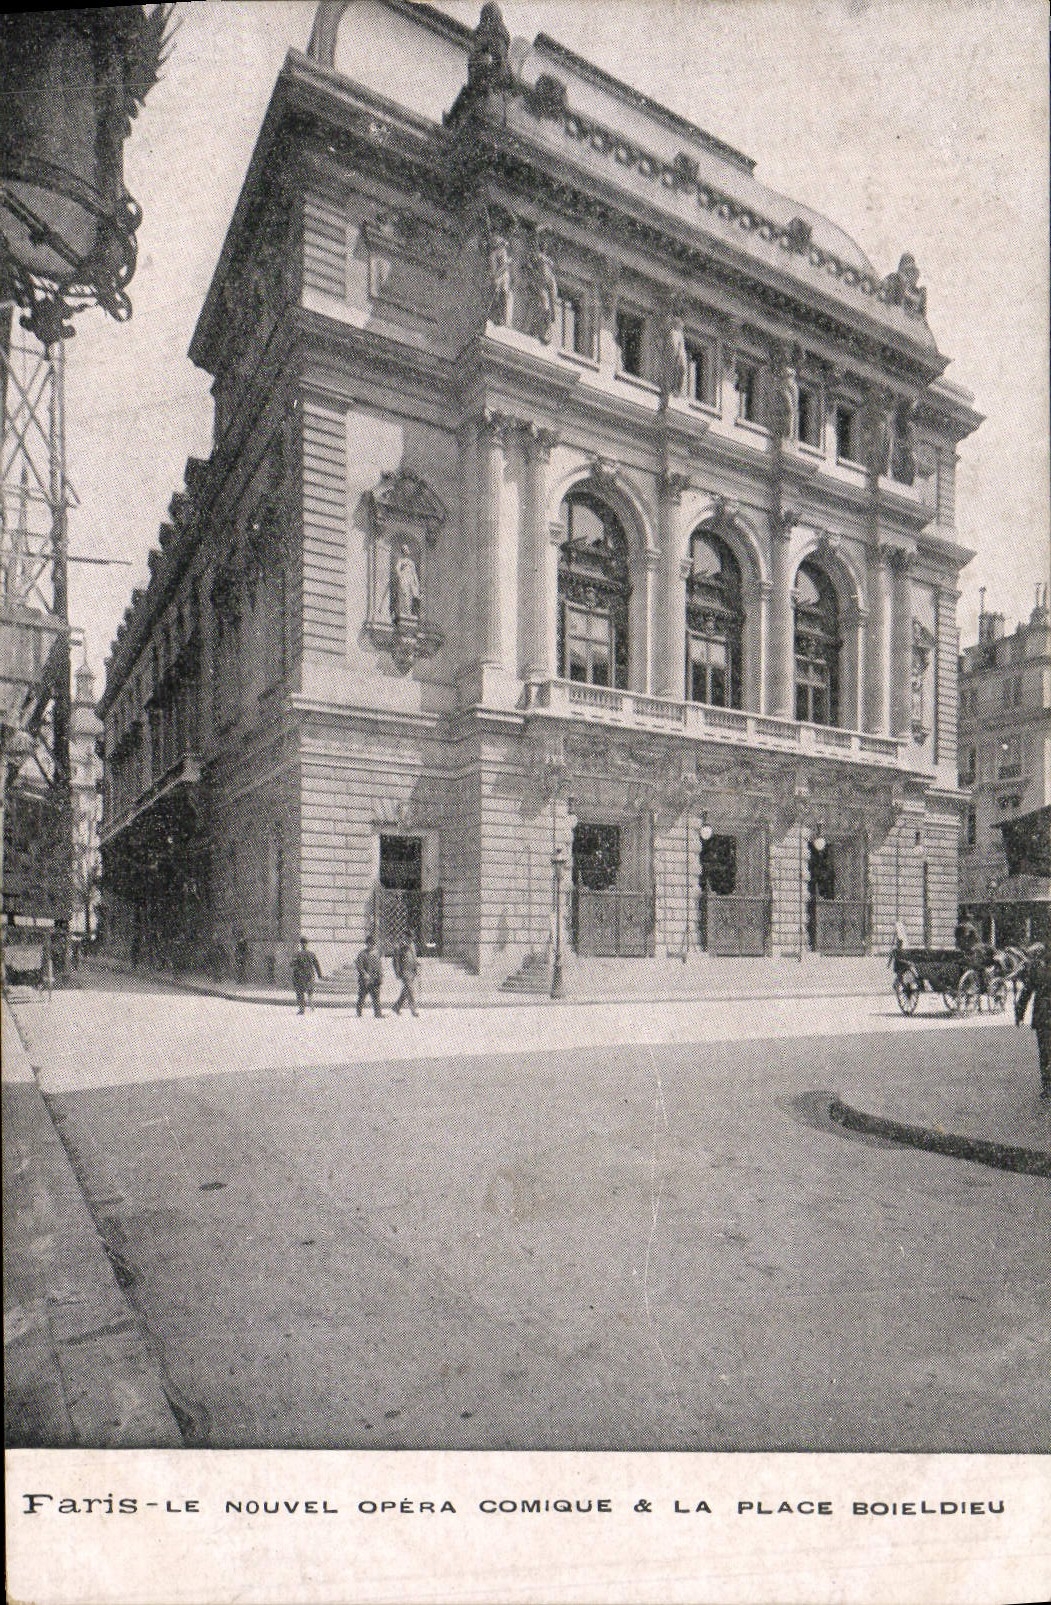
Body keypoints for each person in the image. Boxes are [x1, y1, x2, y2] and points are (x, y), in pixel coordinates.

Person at [1015, 943, 1051, 1098]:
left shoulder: (1036, 969)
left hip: (1042, 1015)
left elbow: (1026, 992)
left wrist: (1019, 1013)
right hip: (1043, 1015)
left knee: (1045, 1052)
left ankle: (1048, 1086)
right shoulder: (1036, 968)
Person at [355, 935, 384, 1018]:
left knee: (376, 997)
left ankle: (378, 1014)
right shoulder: (362, 954)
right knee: (362, 996)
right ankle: (359, 1012)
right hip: (365, 980)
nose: (371, 946)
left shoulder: (377, 953)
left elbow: (379, 966)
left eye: (373, 944)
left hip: (375, 979)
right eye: (370, 944)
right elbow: (359, 966)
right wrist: (364, 974)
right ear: (367, 944)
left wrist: (380, 975)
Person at [291, 936, 322, 1014]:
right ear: (307, 944)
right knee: (310, 992)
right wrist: (319, 975)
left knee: (300, 993)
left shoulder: (297, 954)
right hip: (310, 975)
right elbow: (317, 965)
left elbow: (292, 964)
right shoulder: (312, 954)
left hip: (300, 976)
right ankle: (312, 1007)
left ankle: (302, 1009)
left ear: (301, 944)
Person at [392, 937, 421, 1018]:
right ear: (405, 936)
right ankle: (413, 1010)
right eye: (409, 937)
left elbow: (413, 957)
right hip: (404, 972)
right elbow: (396, 961)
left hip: (412, 971)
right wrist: (397, 972)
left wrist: (416, 963)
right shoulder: (399, 947)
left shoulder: (412, 945)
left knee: (406, 990)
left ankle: (396, 1007)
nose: (411, 939)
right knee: (410, 991)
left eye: (412, 937)